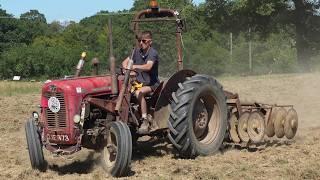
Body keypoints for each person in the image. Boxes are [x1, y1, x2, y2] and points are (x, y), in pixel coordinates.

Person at [122, 31, 160, 134]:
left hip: (151, 84)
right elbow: (124, 62)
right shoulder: (137, 52)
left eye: (143, 41)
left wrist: (134, 67)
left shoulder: (153, 53)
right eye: (139, 41)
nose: (141, 43)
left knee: (139, 93)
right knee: (124, 92)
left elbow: (148, 66)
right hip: (138, 83)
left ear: (150, 42)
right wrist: (126, 69)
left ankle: (145, 120)